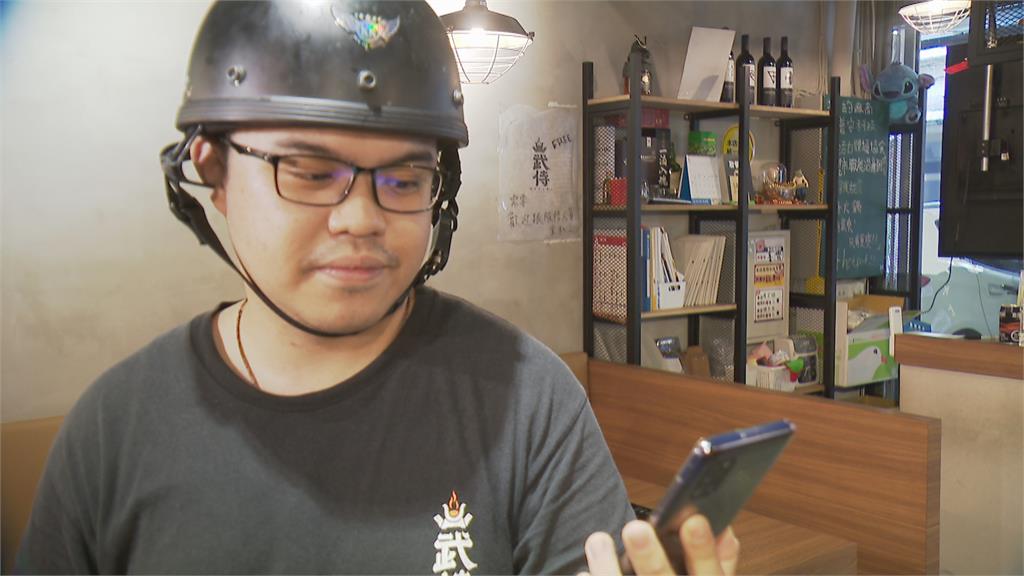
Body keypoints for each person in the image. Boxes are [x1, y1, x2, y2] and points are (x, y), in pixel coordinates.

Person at [16, 1, 738, 574]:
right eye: (308, 172)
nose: (361, 218)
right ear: (212, 173)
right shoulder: (115, 430)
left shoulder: (530, 402)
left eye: (404, 178)